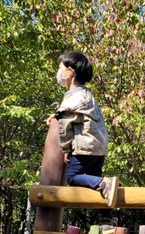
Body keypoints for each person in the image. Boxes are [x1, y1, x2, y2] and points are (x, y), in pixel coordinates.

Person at [46, 51, 116, 207]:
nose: (59, 72)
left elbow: (65, 124)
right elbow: (73, 115)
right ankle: (107, 219)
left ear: (71, 71)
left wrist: (66, 149)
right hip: (99, 147)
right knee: (95, 186)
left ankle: (106, 182)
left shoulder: (73, 95)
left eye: (61, 68)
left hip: (85, 146)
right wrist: (57, 115)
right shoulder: (86, 95)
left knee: (73, 177)